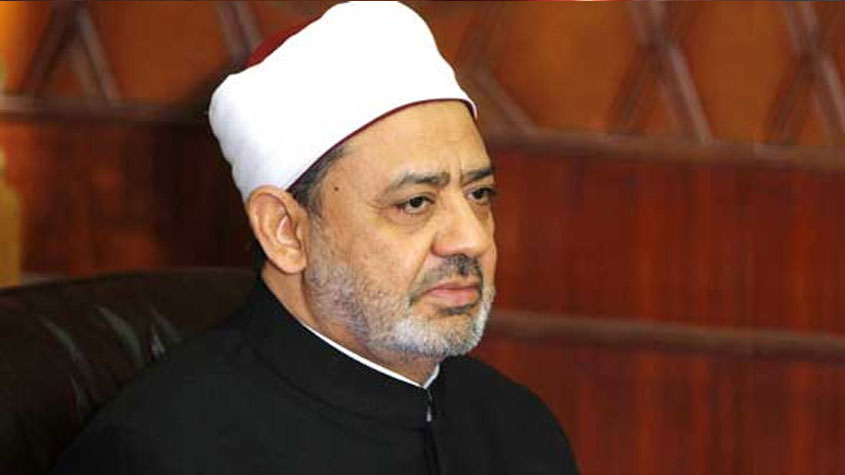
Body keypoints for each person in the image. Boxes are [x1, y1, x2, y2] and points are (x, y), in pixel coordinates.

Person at [54, 2, 578, 474]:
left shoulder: (518, 430)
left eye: (480, 194)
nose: (471, 239)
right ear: (285, 231)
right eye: (415, 203)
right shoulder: (161, 452)